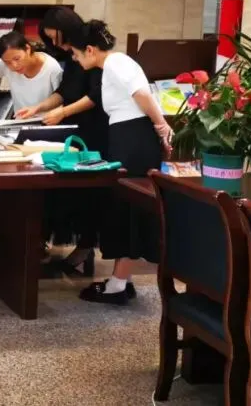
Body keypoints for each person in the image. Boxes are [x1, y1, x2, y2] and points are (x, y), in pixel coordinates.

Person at [67, 20, 173, 305]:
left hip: (134, 140)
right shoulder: (112, 66)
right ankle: (120, 281)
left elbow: (142, 95)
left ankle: (117, 285)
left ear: (90, 50)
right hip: (127, 137)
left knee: (127, 208)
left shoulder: (116, 63)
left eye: (76, 54)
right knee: (124, 208)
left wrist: (161, 126)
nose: (75, 60)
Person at [25, 7, 108, 275]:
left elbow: (96, 95)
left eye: (55, 36)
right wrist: (38, 108)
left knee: (88, 194)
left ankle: (85, 247)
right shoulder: (72, 58)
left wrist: (63, 112)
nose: (54, 43)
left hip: (96, 130)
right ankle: (62, 245)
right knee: (65, 189)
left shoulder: (92, 50)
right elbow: (65, 92)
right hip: (76, 128)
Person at [0, 31, 62, 120]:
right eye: (7, 62)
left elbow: (62, 99)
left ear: (27, 49)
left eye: (17, 59)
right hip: (20, 124)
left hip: (48, 123)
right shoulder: (6, 61)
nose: (14, 66)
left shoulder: (52, 68)